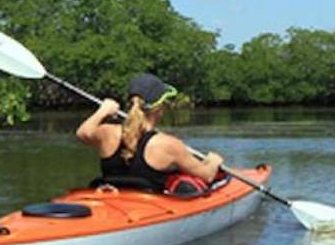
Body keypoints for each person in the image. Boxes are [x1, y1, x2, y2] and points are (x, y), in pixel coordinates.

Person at [76, 72, 227, 193]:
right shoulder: (168, 145)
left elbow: (82, 133)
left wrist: (103, 111)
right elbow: (206, 175)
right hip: (146, 210)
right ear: (160, 109)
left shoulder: (107, 133)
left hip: (111, 200)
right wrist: (213, 161)